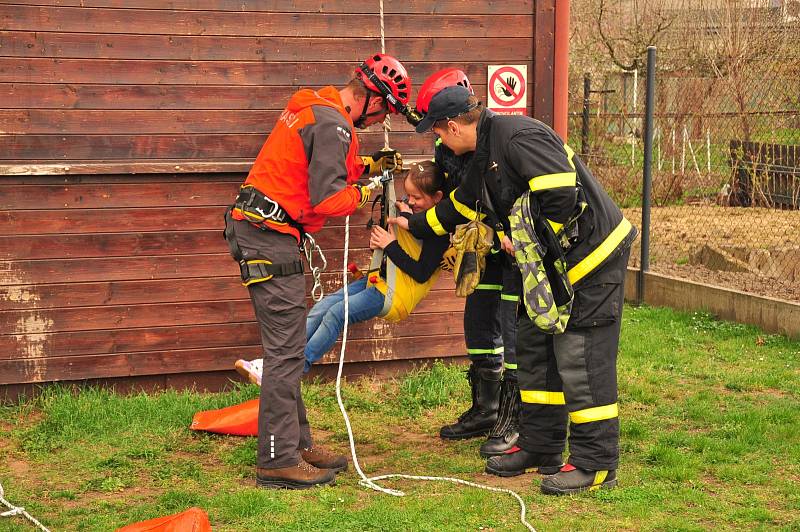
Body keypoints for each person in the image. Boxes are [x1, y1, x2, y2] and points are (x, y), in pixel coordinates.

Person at [391, 85, 637, 495]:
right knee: (534, 348)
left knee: (580, 355)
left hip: (591, 261)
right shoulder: (482, 159)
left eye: (436, 132)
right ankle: (542, 446)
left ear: (452, 127)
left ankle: (596, 463)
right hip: (547, 269)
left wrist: (529, 244)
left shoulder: (517, 137)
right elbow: (459, 207)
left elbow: (561, 197)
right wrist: (411, 225)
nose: (436, 141)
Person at [223, 53, 412, 490]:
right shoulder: (334, 123)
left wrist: (368, 166)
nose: (381, 120)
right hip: (267, 235)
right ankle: (276, 460)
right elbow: (329, 199)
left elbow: (330, 164)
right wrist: (365, 192)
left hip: (264, 229)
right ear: (373, 100)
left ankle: (296, 445)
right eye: (385, 111)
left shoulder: (318, 107)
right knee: (287, 352)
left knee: (289, 344)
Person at [235, 161, 451, 382]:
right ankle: (276, 363)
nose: (410, 202)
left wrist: (390, 245)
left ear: (437, 197)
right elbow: (402, 239)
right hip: (377, 280)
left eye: (417, 198)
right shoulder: (409, 213)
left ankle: (294, 369)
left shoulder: (439, 232)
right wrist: (381, 242)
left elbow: (421, 272)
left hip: (395, 294)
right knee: (321, 308)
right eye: (409, 196)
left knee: (336, 314)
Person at [410, 70, 521, 457]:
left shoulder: (499, 145)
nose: (437, 135)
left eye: (439, 126)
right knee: (478, 322)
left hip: (511, 248)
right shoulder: (448, 149)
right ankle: (485, 410)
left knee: (512, 330)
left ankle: (514, 417)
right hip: (477, 245)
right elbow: (449, 198)